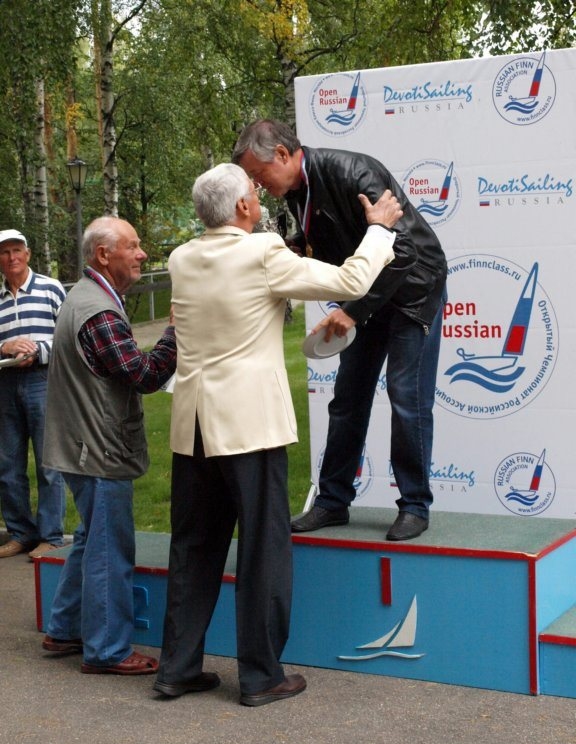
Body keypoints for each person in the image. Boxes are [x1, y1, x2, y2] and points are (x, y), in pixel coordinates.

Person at [154, 163, 401, 706]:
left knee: (193, 549)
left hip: (193, 426)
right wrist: (379, 230)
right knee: (263, 550)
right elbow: (350, 282)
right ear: (243, 207)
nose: (259, 197)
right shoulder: (262, 252)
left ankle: (176, 669)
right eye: (253, 192)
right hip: (249, 426)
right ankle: (262, 675)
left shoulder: (181, 258)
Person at [233, 119, 447, 542]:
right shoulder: (295, 189)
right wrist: (296, 248)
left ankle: (414, 505)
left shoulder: (354, 172)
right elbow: (334, 234)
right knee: (348, 398)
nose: (257, 186)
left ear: (282, 154)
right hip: (366, 295)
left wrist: (353, 311)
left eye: (258, 175)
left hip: (412, 291)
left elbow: (403, 250)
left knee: (406, 397)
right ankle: (332, 501)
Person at [41, 216, 176, 676]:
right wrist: (175, 333)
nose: (142, 254)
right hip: (98, 451)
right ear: (103, 254)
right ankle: (107, 650)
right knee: (108, 552)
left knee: (89, 539)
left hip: (80, 445)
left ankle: (64, 629)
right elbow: (144, 375)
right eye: (132, 246)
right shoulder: (98, 311)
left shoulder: (85, 298)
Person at [0, 229, 67, 560]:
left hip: (44, 380)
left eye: (16, 250)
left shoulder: (50, 288)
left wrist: (37, 351)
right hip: (5, 382)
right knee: (7, 463)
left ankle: (51, 536)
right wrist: (5, 346)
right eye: (4, 252)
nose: (11, 257)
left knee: (48, 461)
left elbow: (70, 337)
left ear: (27, 254)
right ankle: (21, 534)